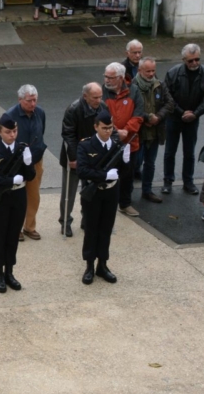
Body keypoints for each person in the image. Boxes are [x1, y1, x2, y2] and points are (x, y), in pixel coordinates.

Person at [77, 111, 130, 285]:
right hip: (93, 193)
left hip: (110, 193)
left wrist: (127, 160)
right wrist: (104, 175)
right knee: (91, 229)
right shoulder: (85, 146)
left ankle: (103, 264)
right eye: (104, 128)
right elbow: (82, 171)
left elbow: (124, 172)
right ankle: (89, 266)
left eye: (110, 128)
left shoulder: (116, 146)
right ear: (96, 127)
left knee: (106, 229)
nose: (108, 131)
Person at [0, 114, 35, 293]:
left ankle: (10, 272)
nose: (12, 135)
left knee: (13, 235)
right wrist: (10, 180)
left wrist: (29, 164)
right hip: (1, 198)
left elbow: (30, 176)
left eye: (14, 131)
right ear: (0, 132)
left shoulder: (23, 149)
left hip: (18, 197)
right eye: (8, 132)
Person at [59, 82, 110, 237]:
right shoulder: (74, 109)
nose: (99, 100)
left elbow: (108, 128)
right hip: (75, 155)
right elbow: (68, 134)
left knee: (89, 190)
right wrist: (74, 158)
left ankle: (86, 219)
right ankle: (65, 222)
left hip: (93, 156)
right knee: (70, 191)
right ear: (85, 96)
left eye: (100, 96)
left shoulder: (103, 107)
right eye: (95, 97)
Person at [162, 43, 204, 196]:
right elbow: (167, 95)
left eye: (197, 59)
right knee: (170, 151)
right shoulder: (173, 73)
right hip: (174, 118)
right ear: (184, 59)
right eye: (190, 60)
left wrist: (195, 114)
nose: (194, 63)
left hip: (193, 119)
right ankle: (167, 181)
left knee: (189, 152)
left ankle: (188, 182)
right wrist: (181, 112)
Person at [3, 85, 46, 241]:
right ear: (20, 99)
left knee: (34, 196)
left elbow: (42, 132)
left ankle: (29, 227)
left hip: (35, 161)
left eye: (35, 100)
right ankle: (16, 228)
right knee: (16, 197)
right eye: (29, 101)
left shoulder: (40, 113)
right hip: (17, 164)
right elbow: (1, 139)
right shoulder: (10, 115)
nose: (33, 104)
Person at [102, 62, 144, 217]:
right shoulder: (102, 92)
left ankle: (125, 204)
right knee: (107, 174)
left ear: (120, 78)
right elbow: (99, 116)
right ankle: (107, 204)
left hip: (129, 142)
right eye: (105, 76)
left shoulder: (134, 92)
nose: (107, 80)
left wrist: (126, 130)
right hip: (107, 142)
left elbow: (139, 115)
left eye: (111, 77)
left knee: (127, 175)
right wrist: (113, 132)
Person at [131, 57, 174, 203]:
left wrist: (158, 117)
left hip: (155, 132)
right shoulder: (132, 86)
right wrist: (147, 118)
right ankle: (126, 194)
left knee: (150, 163)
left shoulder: (160, 85)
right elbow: (131, 108)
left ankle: (147, 191)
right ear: (139, 70)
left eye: (153, 70)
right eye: (147, 71)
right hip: (138, 133)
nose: (151, 74)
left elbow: (169, 103)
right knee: (134, 164)